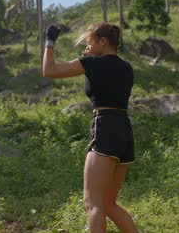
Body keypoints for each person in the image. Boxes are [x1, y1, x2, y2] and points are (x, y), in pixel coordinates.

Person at [42, 22, 138, 233]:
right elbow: (105, 79)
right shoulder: (126, 67)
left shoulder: (92, 63)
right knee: (109, 204)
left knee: (92, 203)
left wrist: (49, 40)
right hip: (124, 132)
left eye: (89, 42)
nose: (86, 47)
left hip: (105, 126)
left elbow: (49, 71)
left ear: (102, 42)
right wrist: (91, 57)